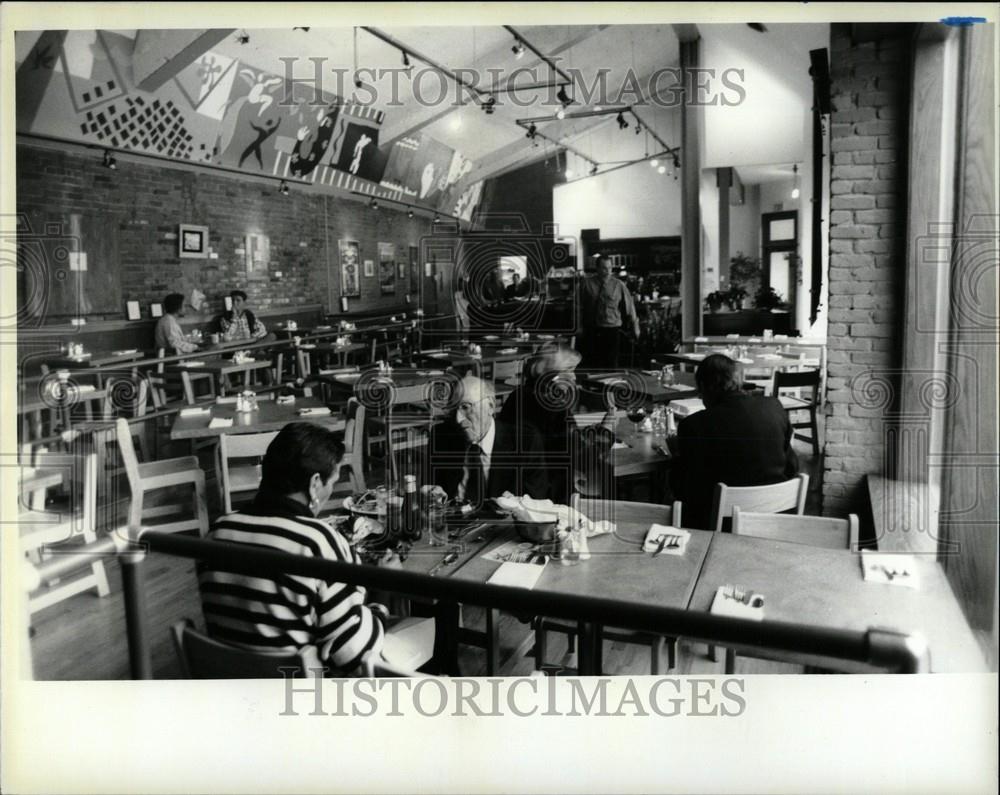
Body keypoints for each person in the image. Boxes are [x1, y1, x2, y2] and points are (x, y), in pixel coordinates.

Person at [198, 423, 431, 675]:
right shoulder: (318, 541)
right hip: (302, 699)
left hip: (233, 688)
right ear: (315, 483)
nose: (330, 490)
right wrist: (382, 592)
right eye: (333, 481)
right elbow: (354, 656)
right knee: (429, 629)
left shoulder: (216, 532)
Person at [668, 354, 799, 531]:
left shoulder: (693, 425)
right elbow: (792, 466)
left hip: (720, 524)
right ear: (738, 381)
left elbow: (684, 489)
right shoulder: (774, 407)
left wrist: (677, 454)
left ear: (705, 387)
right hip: (776, 515)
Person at [428, 374, 549, 504]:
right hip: (453, 519)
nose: (458, 419)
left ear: (490, 406)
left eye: (466, 407)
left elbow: (537, 499)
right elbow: (430, 484)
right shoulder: (441, 435)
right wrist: (431, 491)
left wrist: (517, 504)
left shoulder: (525, 442)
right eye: (453, 409)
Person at [498, 342, 582, 503]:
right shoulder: (552, 402)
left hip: (516, 489)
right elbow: (576, 450)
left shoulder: (518, 395)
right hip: (548, 492)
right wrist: (605, 430)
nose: (574, 376)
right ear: (548, 372)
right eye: (569, 370)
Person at [578, 255, 640, 369]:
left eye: (610, 268)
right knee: (593, 364)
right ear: (597, 268)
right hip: (592, 329)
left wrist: (635, 326)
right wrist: (579, 326)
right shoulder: (586, 284)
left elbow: (630, 307)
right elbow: (579, 307)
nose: (607, 271)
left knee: (611, 365)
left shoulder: (619, 285)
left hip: (612, 329)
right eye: (604, 268)